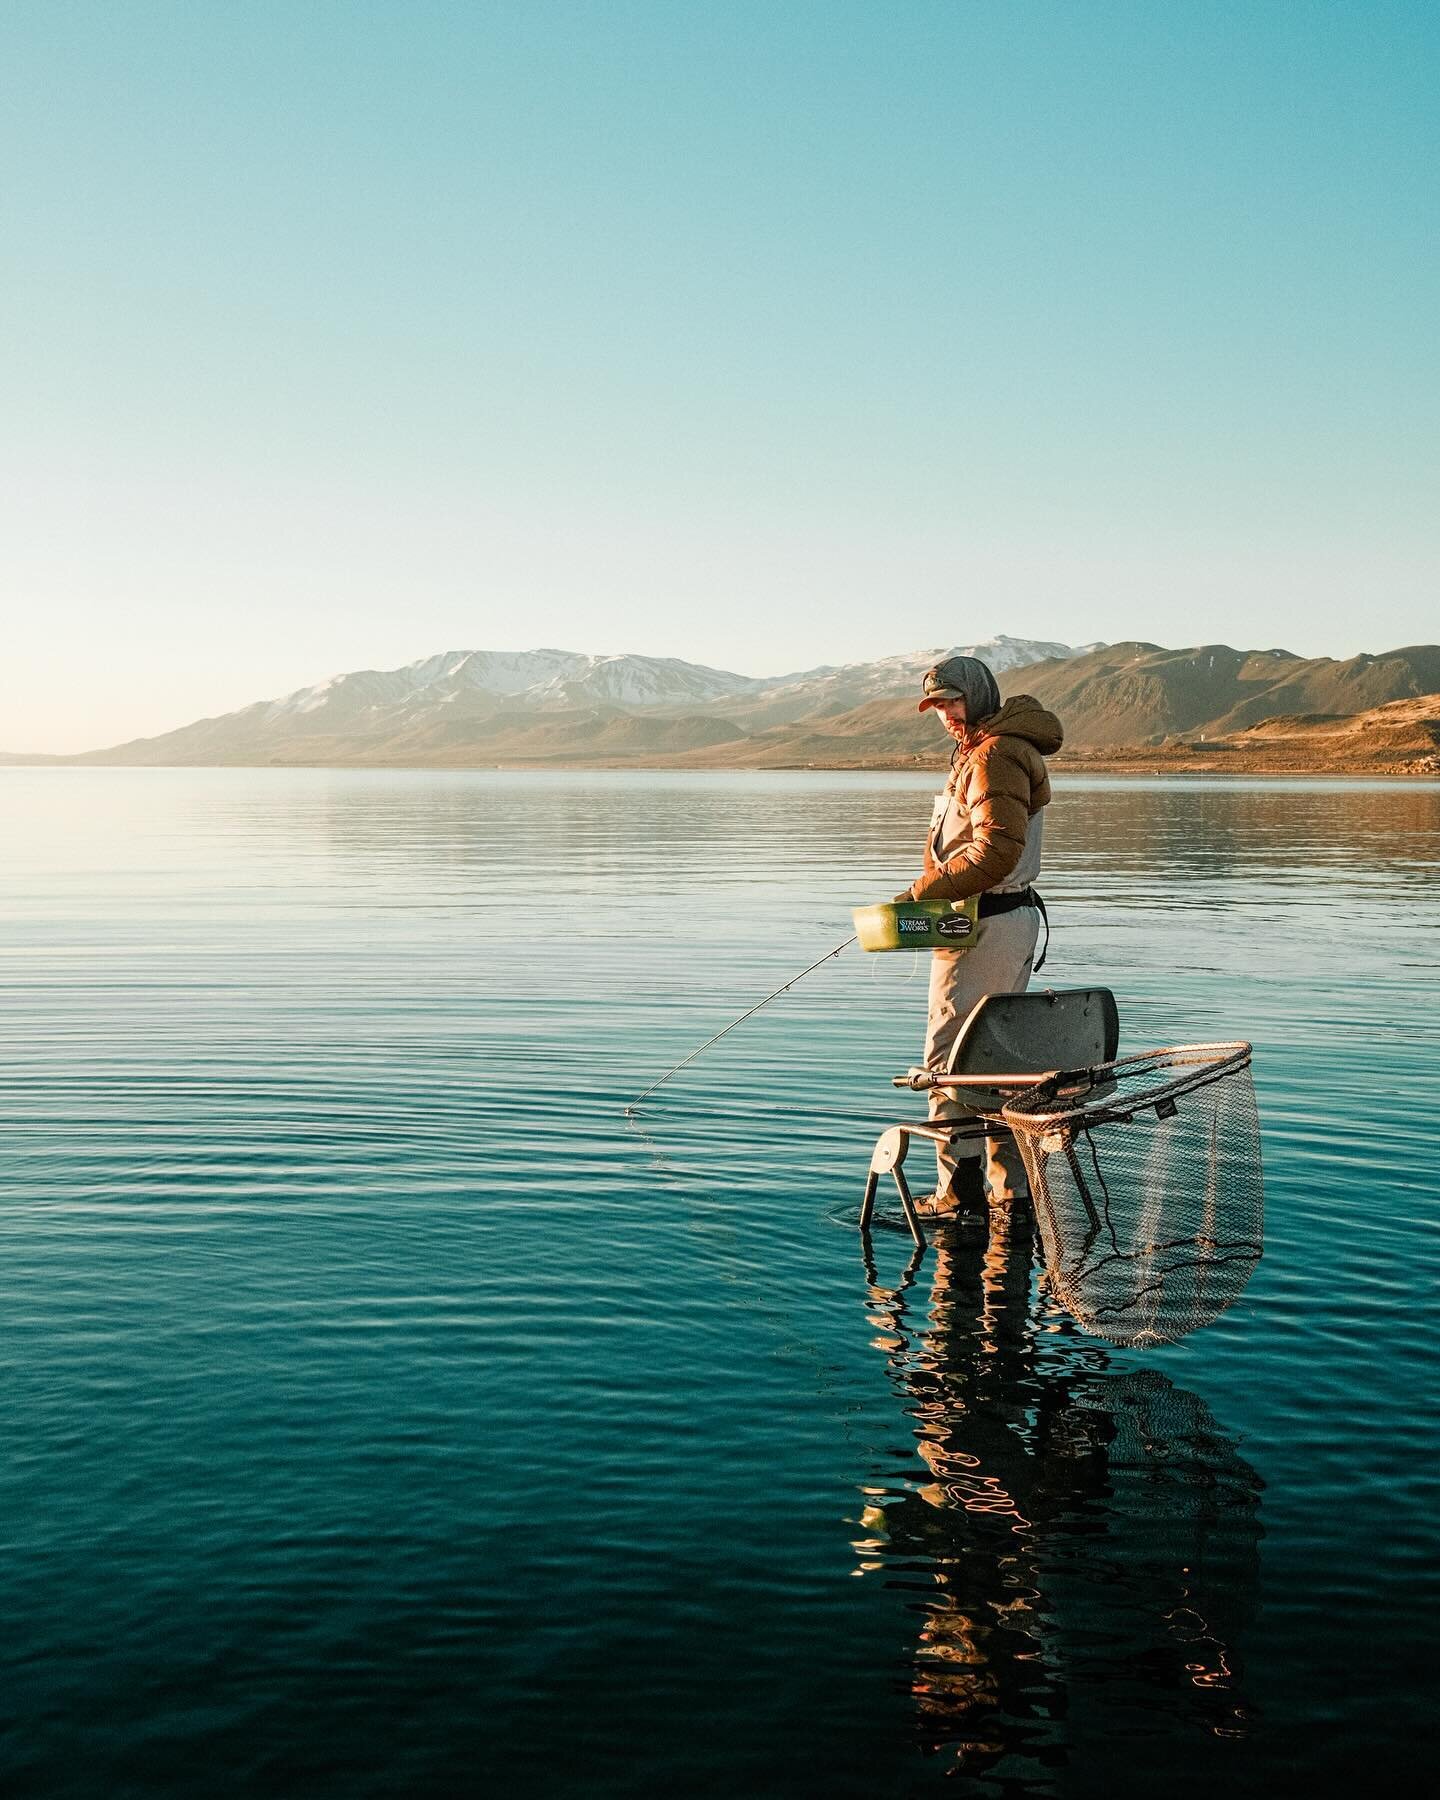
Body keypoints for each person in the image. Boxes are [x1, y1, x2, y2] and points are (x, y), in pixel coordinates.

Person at [894, 655, 1063, 1215]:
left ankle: (957, 1192)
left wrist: (924, 892)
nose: (943, 714)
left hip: (985, 922)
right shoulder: (985, 749)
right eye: (936, 706)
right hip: (992, 919)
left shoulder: (996, 754)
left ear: (980, 696)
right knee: (996, 1055)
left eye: (951, 701)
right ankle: (1008, 1194)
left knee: (952, 1057)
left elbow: (995, 852)